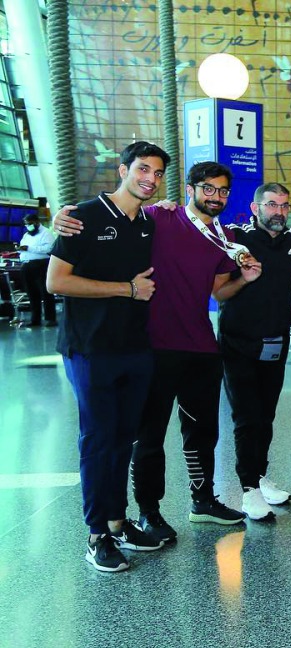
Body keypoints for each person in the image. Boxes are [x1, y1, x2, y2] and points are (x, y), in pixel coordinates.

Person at [51, 161, 255, 536]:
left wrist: (244, 279)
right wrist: (62, 218)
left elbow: (219, 292)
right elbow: (113, 213)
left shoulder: (223, 237)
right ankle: (149, 511)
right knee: (149, 436)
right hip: (153, 347)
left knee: (203, 431)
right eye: (208, 188)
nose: (216, 196)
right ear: (190, 189)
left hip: (201, 348)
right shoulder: (159, 218)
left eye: (223, 190)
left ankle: (203, 500)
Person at [47, 141, 168, 571]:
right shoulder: (82, 216)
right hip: (90, 348)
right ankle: (96, 533)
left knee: (123, 439)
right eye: (142, 169)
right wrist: (127, 289)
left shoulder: (148, 222)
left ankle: (117, 522)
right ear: (123, 170)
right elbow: (56, 281)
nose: (150, 179)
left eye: (157, 173)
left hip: (134, 348)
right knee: (98, 439)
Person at [216, 183, 291, 520]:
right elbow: (218, 291)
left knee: (266, 415)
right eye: (271, 205)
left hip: (276, 341)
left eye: (284, 205)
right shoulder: (236, 237)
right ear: (255, 208)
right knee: (246, 416)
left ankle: (260, 476)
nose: (279, 211)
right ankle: (248, 488)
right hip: (238, 342)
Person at [17, 213, 56, 326]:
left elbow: (49, 249)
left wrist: (29, 248)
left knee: (45, 292)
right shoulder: (26, 235)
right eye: (26, 224)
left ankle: (50, 319)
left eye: (30, 223)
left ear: (37, 222)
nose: (28, 226)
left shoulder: (46, 233)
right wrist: (20, 249)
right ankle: (35, 319)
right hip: (27, 265)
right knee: (31, 293)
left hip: (41, 265)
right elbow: (23, 248)